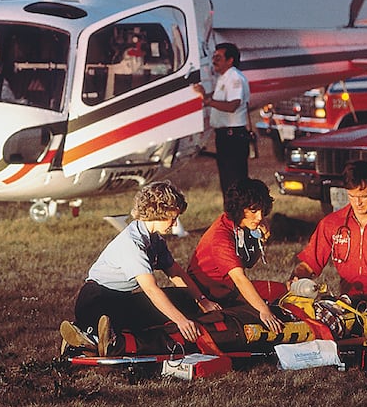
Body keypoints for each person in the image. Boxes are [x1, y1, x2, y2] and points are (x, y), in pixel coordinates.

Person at [60, 181, 221, 356]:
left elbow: (175, 272)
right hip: (97, 300)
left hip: (120, 299)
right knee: (136, 326)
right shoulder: (133, 244)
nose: (175, 224)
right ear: (157, 213)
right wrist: (181, 321)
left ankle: (90, 336)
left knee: (183, 298)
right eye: (172, 218)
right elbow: (151, 289)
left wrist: (201, 300)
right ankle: (90, 337)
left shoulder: (154, 239)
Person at [289, 160, 367, 320]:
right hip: (347, 304)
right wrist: (298, 277)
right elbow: (309, 264)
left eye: (363, 196)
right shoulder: (332, 223)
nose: (357, 203)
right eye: (352, 196)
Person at [187, 178, 286, 334]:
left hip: (228, 288)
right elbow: (239, 278)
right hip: (210, 294)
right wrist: (264, 310)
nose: (260, 217)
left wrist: (260, 240)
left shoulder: (237, 224)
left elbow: (249, 262)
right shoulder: (220, 236)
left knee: (283, 291)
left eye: (262, 210)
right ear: (239, 209)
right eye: (254, 211)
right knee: (271, 302)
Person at [193, 42, 250, 194]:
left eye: (218, 57)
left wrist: (208, 101)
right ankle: (231, 216)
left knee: (235, 183)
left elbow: (232, 105)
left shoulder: (234, 78)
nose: (214, 61)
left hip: (233, 137)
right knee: (227, 183)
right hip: (225, 136)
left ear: (230, 60)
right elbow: (219, 100)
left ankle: (238, 216)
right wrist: (205, 95)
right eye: (214, 57)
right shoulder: (224, 78)